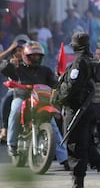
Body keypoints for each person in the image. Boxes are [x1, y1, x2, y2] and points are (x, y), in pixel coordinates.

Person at [59, 32, 100, 188]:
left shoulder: (79, 63)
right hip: (93, 109)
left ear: (75, 46)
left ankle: (78, 186)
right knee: (86, 145)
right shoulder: (94, 61)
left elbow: (72, 88)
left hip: (79, 110)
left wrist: (59, 96)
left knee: (75, 146)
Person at [0, 41, 68, 171]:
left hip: (41, 101)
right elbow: (3, 69)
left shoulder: (46, 70)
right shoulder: (17, 67)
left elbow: (55, 84)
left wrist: (61, 85)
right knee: (15, 110)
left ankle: (64, 158)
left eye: (38, 56)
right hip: (22, 97)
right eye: (32, 56)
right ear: (25, 56)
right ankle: (11, 144)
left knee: (53, 125)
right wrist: (9, 64)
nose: (35, 58)